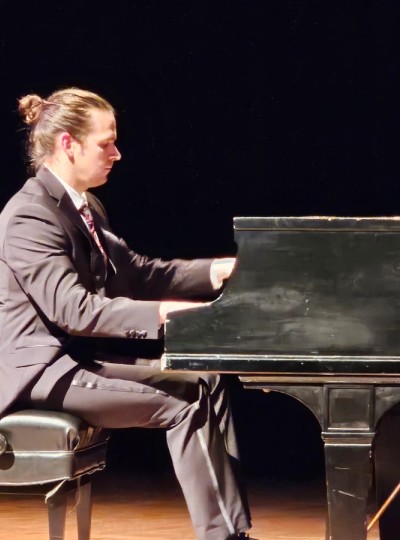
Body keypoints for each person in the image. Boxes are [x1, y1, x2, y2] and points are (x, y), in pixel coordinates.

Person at [0, 87, 255, 540]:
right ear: (68, 144)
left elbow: (137, 273)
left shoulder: (85, 206)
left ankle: (235, 530)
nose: (116, 154)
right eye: (106, 143)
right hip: (40, 370)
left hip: (77, 359)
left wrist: (214, 270)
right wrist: (165, 314)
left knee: (208, 379)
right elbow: (73, 309)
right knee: (183, 402)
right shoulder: (30, 215)